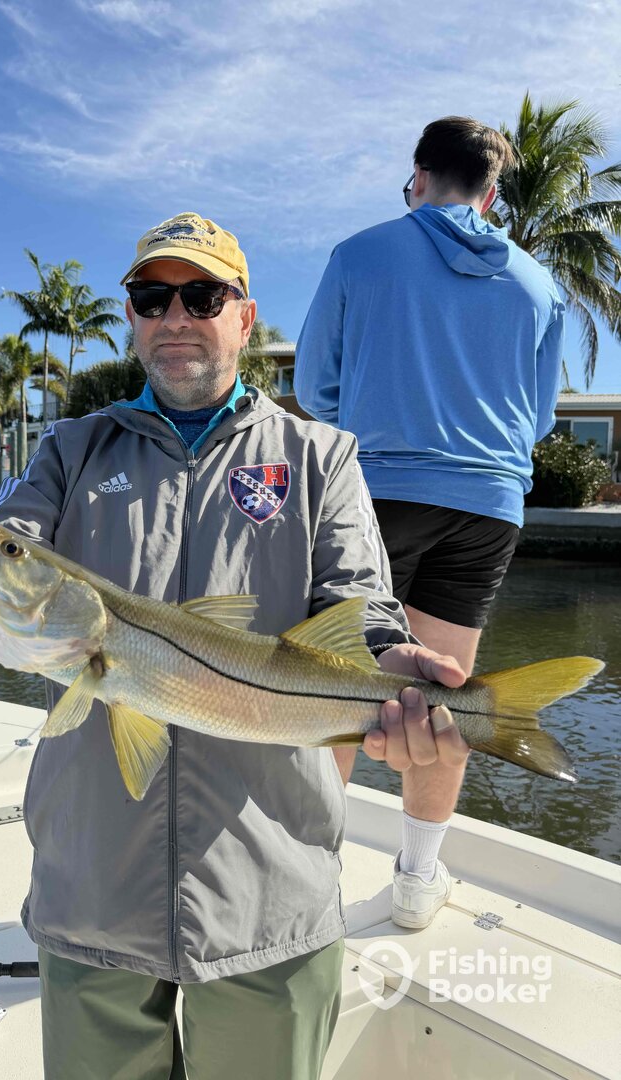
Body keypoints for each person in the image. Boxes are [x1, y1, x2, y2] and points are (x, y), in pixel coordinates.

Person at [0, 212, 469, 1080]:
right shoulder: (69, 451)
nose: (175, 316)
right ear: (133, 318)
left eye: (202, 295)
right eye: (150, 297)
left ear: (244, 318)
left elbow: (361, 607)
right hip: (92, 888)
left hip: (272, 894)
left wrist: (393, 665)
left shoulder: (321, 456)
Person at [295, 116, 565, 930]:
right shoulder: (539, 286)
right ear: (492, 194)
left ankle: (307, 885)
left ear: (418, 176)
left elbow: (313, 387)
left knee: (337, 689)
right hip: (488, 506)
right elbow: (539, 418)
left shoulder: (360, 254)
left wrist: (370, 419)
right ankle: (416, 882)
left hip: (374, 492)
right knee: (449, 694)